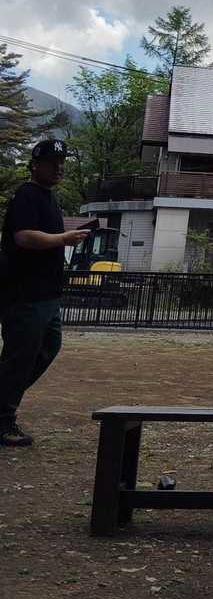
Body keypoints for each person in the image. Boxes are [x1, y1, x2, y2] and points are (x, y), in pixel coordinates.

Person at [0, 139, 89, 447]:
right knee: (20, 356)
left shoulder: (49, 197)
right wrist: (63, 238)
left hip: (47, 293)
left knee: (48, 346)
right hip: (25, 293)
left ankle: (4, 404)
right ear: (36, 164)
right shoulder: (27, 195)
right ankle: (3, 419)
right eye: (53, 162)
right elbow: (23, 237)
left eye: (62, 162)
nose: (59, 167)